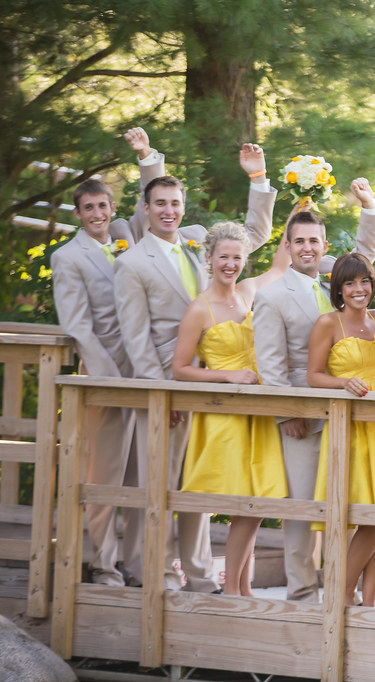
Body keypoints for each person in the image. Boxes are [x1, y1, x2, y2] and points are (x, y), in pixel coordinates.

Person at [114, 142, 275, 591]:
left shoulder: (194, 246)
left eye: (175, 204)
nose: (169, 211)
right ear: (145, 208)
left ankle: (201, 575)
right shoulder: (131, 263)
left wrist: (258, 181)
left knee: (198, 489)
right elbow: (136, 336)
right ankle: (157, 574)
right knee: (159, 487)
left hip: (207, 387)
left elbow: (248, 238)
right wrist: (163, 394)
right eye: (160, 203)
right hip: (167, 385)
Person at [253, 179, 375, 603]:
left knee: (341, 502)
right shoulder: (272, 296)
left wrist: (369, 207)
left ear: (323, 243)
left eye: (314, 240)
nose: (308, 247)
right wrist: (287, 413)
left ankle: (337, 583)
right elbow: (270, 363)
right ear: (287, 246)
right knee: (304, 505)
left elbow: (364, 260)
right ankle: (302, 588)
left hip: (345, 416)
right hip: (301, 415)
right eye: (299, 241)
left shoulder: (335, 281)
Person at [51, 126, 164, 586]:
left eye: (103, 206)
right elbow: (77, 325)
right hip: (104, 377)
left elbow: (154, 200)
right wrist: (109, 376)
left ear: (112, 210)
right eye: (89, 208)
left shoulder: (128, 239)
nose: (98, 214)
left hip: (145, 373)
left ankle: (137, 565)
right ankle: (103, 564)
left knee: (142, 477)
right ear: (78, 214)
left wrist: (145, 156)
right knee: (104, 477)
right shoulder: (68, 257)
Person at [171, 221, 292, 596]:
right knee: (240, 499)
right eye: (223, 257)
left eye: (237, 258)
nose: (230, 264)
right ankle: (233, 590)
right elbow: (180, 368)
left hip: (257, 412)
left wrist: (300, 204)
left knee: (257, 501)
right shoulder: (199, 308)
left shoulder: (248, 293)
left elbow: (279, 268)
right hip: (223, 414)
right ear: (209, 258)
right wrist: (225, 377)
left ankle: (241, 586)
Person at [307, 252, 375, 607]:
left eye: (365, 281)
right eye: (350, 283)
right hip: (354, 424)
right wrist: (343, 383)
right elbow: (313, 376)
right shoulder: (328, 323)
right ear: (339, 287)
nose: (359, 289)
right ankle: (340, 593)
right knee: (370, 513)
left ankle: (368, 601)